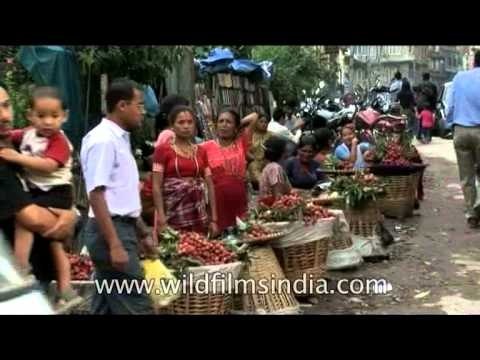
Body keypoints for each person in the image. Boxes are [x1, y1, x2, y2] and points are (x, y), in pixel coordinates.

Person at [80, 78, 154, 314]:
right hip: (110, 231)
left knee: (105, 307)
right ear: (122, 105)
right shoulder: (103, 140)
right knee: (137, 306)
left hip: (121, 228)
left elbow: (122, 198)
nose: (142, 112)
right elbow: (96, 195)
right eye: (139, 105)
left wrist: (141, 231)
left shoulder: (119, 139)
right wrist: (115, 244)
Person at [0, 86, 79, 305]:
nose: (4, 116)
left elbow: (48, 165)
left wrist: (70, 216)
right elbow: (33, 219)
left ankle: (64, 288)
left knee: (56, 243)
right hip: (11, 288)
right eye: (41, 116)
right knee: (32, 228)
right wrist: (68, 218)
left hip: (56, 194)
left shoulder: (20, 142)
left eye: (6, 105)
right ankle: (21, 268)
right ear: (31, 115)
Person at [152, 105, 219, 236]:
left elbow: (210, 185)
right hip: (172, 214)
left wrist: (214, 219)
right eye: (181, 122)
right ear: (172, 126)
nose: (186, 126)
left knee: (200, 249)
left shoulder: (200, 151)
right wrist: (161, 218)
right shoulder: (162, 150)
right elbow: (156, 186)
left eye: (190, 122)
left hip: (199, 215)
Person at [446, 50, 480, 228]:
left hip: (461, 130)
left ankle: (471, 213)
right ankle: (478, 205)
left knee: (466, 176)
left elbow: (450, 105)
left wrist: (451, 123)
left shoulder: (459, 77)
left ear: (473, 61)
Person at [202, 108, 248, 233]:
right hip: (216, 201)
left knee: (242, 232)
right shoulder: (205, 147)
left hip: (238, 197)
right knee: (219, 238)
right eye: (221, 121)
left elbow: (254, 117)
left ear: (236, 127)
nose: (224, 125)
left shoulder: (240, 143)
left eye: (228, 122)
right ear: (216, 125)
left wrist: (239, 126)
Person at [244, 109, 273, 189]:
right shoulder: (250, 135)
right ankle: (264, 187)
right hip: (254, 161)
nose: (264, 124)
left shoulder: (271, 135)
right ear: (256, 123)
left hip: (268, 161)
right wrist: (253, 159)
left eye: (266, 122)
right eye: (261, 122)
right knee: (254, 168)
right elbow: (245, 150)